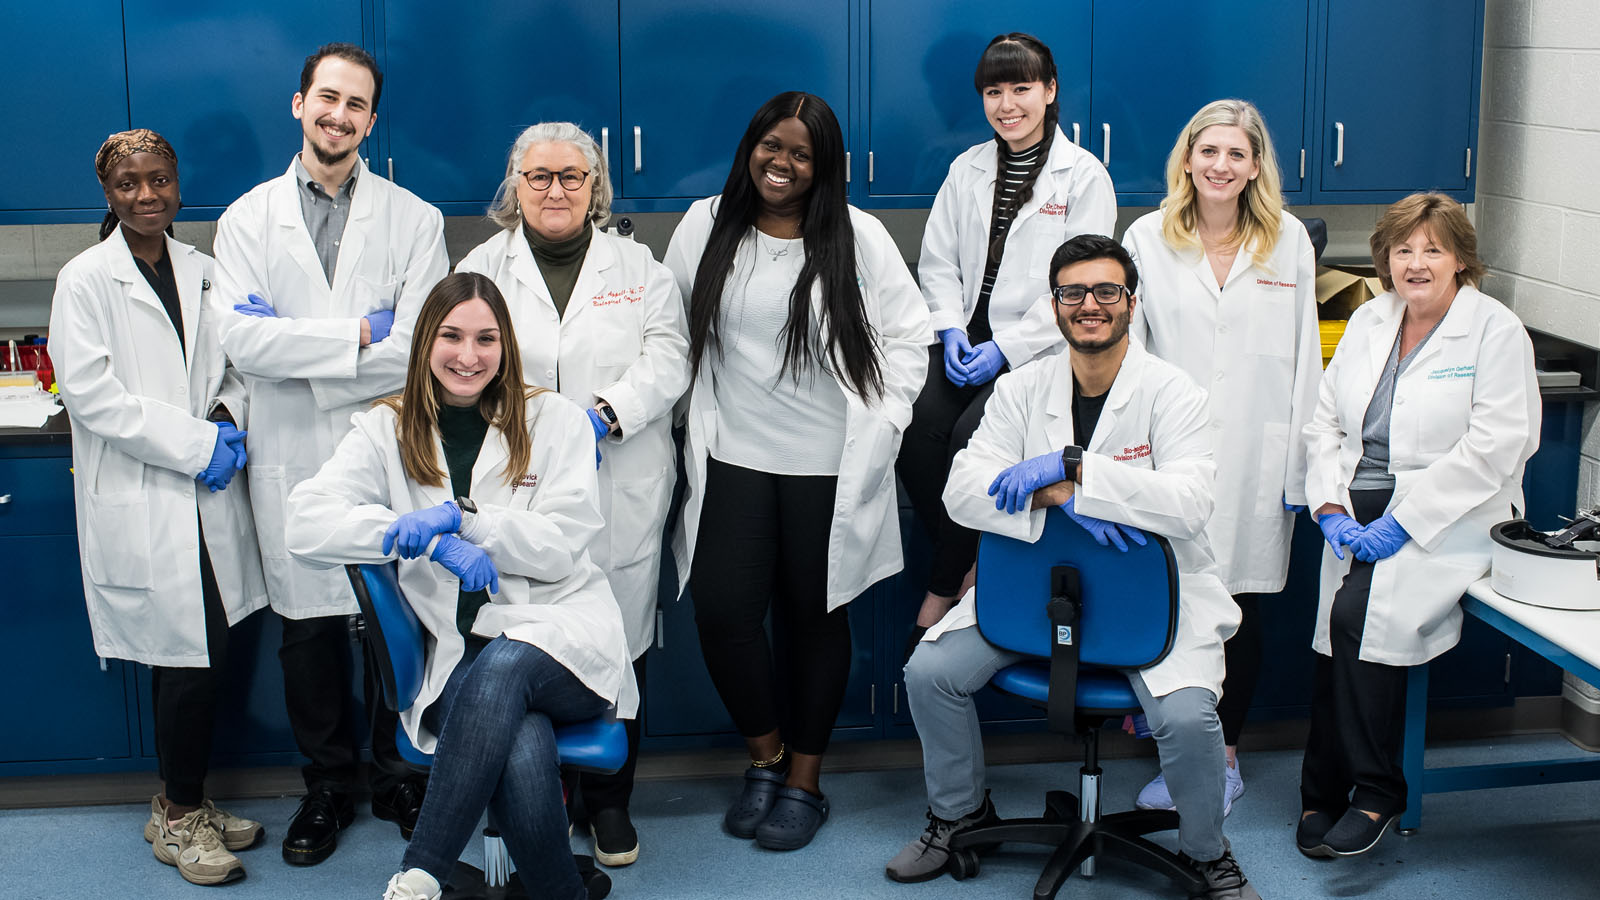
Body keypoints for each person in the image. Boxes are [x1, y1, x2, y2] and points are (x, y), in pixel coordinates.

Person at [885, 234, 1258, 900]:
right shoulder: (1021, 390)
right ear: (1055, 306)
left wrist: (1079, 469)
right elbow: (962, 491)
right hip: (1035, 588)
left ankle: (1206, 854)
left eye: (1106, 291)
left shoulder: (1174, 394)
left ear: (1130, 304)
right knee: (930, 673)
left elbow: (1191, 502)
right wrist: (1057, 491)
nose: (1090, 305)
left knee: (1189, 717)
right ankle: (958, 814)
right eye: (1073, 292)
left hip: (1152, 595)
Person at [285, 272, 635, 900]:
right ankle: (562, 894)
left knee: (504, 666)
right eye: (450, 336)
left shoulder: (553, 421)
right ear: (424, 343)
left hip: (563, 639)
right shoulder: (385, 430)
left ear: (506, 348)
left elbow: (559, 548)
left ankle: (421, 872)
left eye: (486, 339)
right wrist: (413, 534)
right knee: (522, 740)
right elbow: (305, 521)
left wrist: (468, 521)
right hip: (457, 657)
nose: (468, 356)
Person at [663, 91, 930, 850]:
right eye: (771, 147)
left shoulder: (858, 236)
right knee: (723, 614)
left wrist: (888, 419)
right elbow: (670, 328)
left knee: (817, 622)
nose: (782, 164)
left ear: (825, 167)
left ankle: (805, 781)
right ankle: (766, 756)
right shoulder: (704, 225)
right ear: (751, 146)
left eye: (801, 154)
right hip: (734, 457)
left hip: (829, 466)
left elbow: (911, 342)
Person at [209, 42, 449, 864]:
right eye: (327, 98)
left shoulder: (415, 219)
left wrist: (292, 343)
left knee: (395, 620)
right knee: (307, 635)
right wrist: (355, 334)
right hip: (292, 455)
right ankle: (325, 787)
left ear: (372, 122)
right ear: (299, 103)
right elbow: (241, 341)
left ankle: (397, 775)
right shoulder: (246, 218)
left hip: (389, 452)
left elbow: (421, 348)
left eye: (356, 105)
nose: (338, 115)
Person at [456, 121, 689, 867]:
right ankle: (537, 796)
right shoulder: (482, 265)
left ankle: (611, 802)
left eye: (571, 176)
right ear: (514, 185)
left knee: (618, 642)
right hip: (517, 487)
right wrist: (534, 423)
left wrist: (604, 414)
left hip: (619, 481)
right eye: (539, 176)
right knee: (522, 644)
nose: (555, 190)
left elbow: (670, 355)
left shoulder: (640, 266)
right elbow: (458, 359)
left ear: (595, 187)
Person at [49, 129, 269, 886]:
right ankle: (180, 817)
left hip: (208, 500)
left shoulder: (206, 271)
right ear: (107, 195)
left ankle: (183, 801)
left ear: (179, 184)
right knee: (186, 661)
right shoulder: (84, 280)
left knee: (204, 653)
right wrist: (194, 445)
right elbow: (92, 396)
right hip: (148, 496)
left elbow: (241, 365)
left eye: (160, 180)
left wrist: (231, 424)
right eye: (129, 184)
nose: (147, 195)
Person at [1297, 193, 1539, 858]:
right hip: (1354, 507)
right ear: (1385, 261)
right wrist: (1326, 505)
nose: (1416, 262)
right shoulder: (1371, 319)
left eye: (1432, 248)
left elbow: (1495, 447)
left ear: (1461, 258)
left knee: (1354, 620)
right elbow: (1325, 425)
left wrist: (1404, 523)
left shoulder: (1493, 331)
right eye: (1403, 249)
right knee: (1332, 638)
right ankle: (1320, 791)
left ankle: (1376, 793)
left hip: (1449, 514)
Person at [1123, 98, 1321, 813]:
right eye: (1209, 151)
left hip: (1255, 458)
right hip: (1168, 456)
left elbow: (1304, 362)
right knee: (1170, 605)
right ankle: (1175, 749)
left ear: (1256, 166)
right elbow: (1129, 354)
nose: (1221, 165)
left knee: (1238, 610)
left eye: (1237, 154)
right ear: (1188, 159)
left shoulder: (1288, 241)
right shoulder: (1146, 237)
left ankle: (1224, 760)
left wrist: (1301, 470)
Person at [897, 32, 1116, 653]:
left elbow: (1085, 284)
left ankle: (947, 583)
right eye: (994, 91)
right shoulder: (965, 167)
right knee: (913, 430)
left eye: (1022, 88)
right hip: (963, 342)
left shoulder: (1083, 176)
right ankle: (966, 558)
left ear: (1050, 92)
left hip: (1037, 349)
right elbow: (937, 259)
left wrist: (1005, 349)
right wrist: (949, 329)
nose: (1007, 103)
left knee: (972, 441)